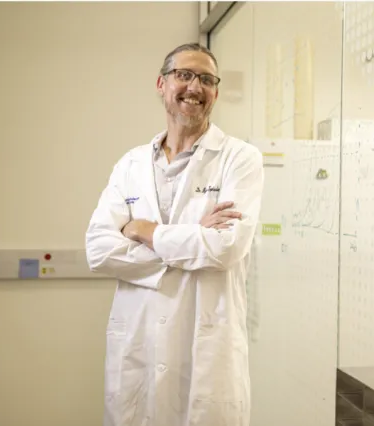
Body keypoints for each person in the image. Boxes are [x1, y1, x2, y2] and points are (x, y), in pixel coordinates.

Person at [85, 42, 264, 426]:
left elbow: (226, 247)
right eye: (183, 75)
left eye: (206, 79)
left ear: (215, 92)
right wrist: (189, 241)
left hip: (206, 354)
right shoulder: (130, 165)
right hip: (138, 348)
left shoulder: (239, 158)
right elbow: (99, 249)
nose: (194, 87)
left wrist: (142, 230)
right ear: (161, 84)